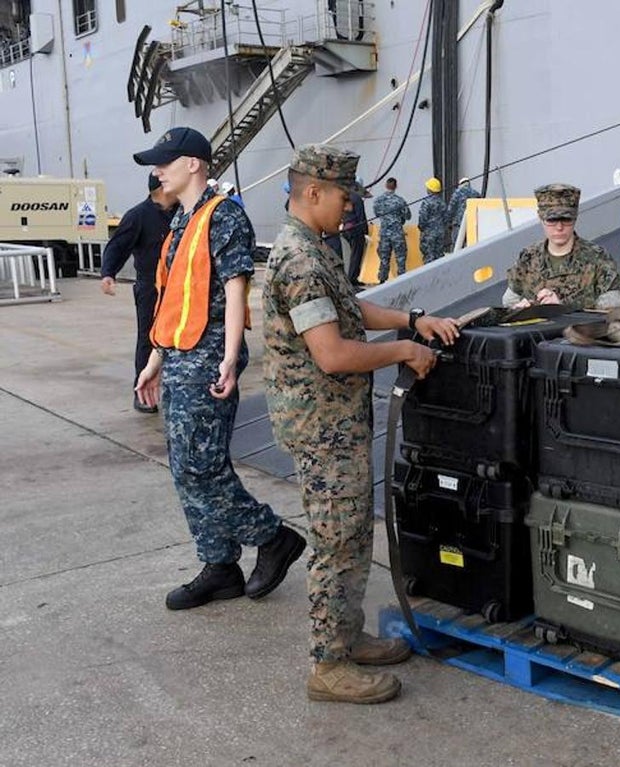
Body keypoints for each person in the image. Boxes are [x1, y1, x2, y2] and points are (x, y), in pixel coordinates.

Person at [262, 144, 461, 704]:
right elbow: (332, 353)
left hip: (334, 422)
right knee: (337, 541)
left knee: (351, 534)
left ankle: (346, 638)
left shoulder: (314, 248)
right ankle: (328, 665)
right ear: (314, 192)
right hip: (321, 426)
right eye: (345, 196)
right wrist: (403, 349)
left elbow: (348, 308)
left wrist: (414, 318)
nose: (350, 208)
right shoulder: (300, 260)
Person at [132, 127, 306, 611]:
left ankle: (272, 537)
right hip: (179, 354)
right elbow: (170, 301)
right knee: (187, 469)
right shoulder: (180, 221)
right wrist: (154, 360)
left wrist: (230, 357)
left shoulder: (223, 215)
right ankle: (220, 565)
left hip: (209, 355)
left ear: (193, 163)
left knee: (200, 466)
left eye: (164, 161)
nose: (156, 170)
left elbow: (235, 289)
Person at [100, 174, 178, 413]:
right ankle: (143, 391)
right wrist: (108, 273)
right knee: (149, 339)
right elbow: (117, 245)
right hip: (150, 289)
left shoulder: (183, 212)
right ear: (161, 188)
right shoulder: (138, 216)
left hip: (180, 286)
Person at [503, 183, 620, 309]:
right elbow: (509, 300)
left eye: (566, 220)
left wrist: (563, 306)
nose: (559, 227)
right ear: (540, 217)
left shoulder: (597, 257)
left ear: (575, 218)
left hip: (580, 328)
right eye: (552, 220)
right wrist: (523, 307)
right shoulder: (529, 258)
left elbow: (615, 304)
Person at [372, 177, 410, 284]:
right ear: (396, 186)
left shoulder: (378, 201)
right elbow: (408, 216)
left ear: (386, 186)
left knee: (384, 258)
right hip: (397, 233)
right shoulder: (400, 201)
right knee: (401, 258)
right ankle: (401, 280)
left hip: (384, 233)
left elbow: (377, 214)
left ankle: (382, 280)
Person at [418, 177, 447, 264]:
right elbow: (446, 218)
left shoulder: (426, 202)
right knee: (439, 256)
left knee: (429, 257)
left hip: (429, 233)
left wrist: (421, 228)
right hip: (440, 233)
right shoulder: (442, 202)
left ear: (430, 189)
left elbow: (422, 218)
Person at [447, 176, 481, 249]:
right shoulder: (476, 194)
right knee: (470, 246)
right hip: (471, 224)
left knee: (457, 246)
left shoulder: (456, 193)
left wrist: (449, 223)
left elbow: (451, 210)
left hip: (458, 225)